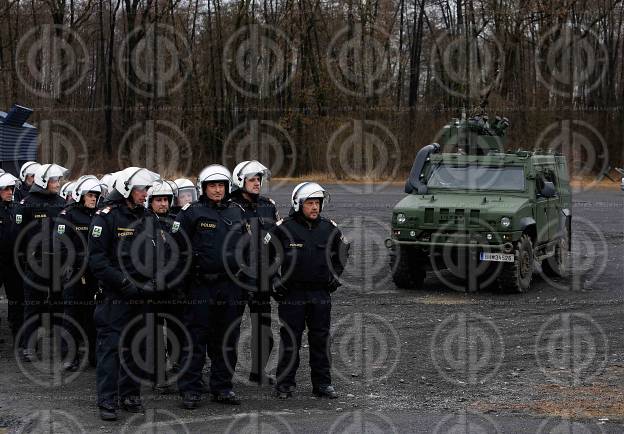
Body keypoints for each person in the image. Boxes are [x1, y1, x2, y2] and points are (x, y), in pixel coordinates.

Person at [88, 167, 161, 421]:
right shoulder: (105, 217)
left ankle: (130, 395)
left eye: (147, 190)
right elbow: (97, 260)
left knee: (136, 347)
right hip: (115, 296)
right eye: (142, 189)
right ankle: (107, 400)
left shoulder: (148, 217)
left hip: (142, 295)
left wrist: (154, 279)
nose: (146, 194)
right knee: (111, 349)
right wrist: (123, 283)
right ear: (128, 189)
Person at [172, 165, 249, 409]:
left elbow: (248, 248)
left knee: (226, 340)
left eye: (221, 186)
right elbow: (176, 250)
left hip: (230, 287)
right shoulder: (190, 213)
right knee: (194, 340)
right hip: (199, 287)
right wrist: (180, 286)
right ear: (203, 188)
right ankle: (191, 390)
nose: (217, 190)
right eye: (212, 186)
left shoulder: (238, 212)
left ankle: (222, 387)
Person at [271, 182, 350, 399]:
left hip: (319, 295)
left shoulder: (329, 228)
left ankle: (323, 384)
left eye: (318, 203)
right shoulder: (283, 228)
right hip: (292, 295)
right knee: (290, 341)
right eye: (310, 203)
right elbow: (264, 255)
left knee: (321, 340)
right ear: (298, 204)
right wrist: (274, 281)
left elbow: (343, 251)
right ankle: (285, 384)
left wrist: (335, 276)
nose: (315, 207)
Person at [230, 160, 278, 385]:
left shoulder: (268, 205)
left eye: (259, 179)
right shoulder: (229, 206)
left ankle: (259, 370)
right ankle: (224, 376)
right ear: (240, 182)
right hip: (236, 279)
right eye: (252, 179)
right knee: (230, 329)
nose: (257, 183)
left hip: (262, 278)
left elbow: (276, 239)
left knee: (264, 328)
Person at [13, 163, 68, 362]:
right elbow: (16, 237)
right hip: (35, 264)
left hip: (58, 264)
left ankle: (63, 349)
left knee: (59, 304)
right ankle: (29, 347)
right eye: (55, 180)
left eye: (59, 180)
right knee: (33, 306)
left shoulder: (62, 203)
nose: (58, 183)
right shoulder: (26, 203)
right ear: (44, 181)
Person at [55, 175, 102, 371]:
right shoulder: (67, 215)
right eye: (90, 195)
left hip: (94, 274)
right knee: (71, 315)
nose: (93, 199)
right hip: (73, 273)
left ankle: (94, 355)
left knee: (94, 316)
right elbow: (60, 245)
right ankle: (69, 356)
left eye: (96, 196)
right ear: (81, 195)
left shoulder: (100, 215)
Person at [0, 172, 23, 349]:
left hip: (14, 263)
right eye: (5, 189)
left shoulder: (18, 208)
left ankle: (19, 336)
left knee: (16, 300)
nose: (9, 192)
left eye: (11, 189)